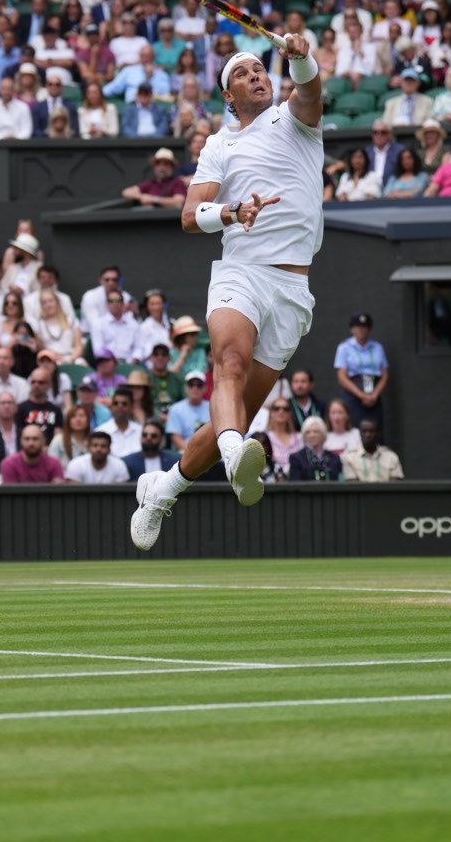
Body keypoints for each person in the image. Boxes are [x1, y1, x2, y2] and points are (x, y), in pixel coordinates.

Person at [129, 30, 325, 547]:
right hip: (242, 269)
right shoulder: (219, 144)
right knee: (228, 367)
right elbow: (191, 215)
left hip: (293, 288)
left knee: (233, 415)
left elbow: (309, 91)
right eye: (242, 73)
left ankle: (162, 490)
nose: (256, 75)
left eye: (260, 68)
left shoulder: (294, 121)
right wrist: (235, 211)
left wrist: (302, 60)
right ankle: (238, 453)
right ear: (227, 95)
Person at [334, 314, 389, 427]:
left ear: (369, 329)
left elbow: (385, 375)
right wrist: (362, 395)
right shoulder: (344, 347)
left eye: (364, 327)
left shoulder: (378, 347)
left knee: (375, 428)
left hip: (374, 391)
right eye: (358, 327)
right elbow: (342, 377)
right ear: (352, 329)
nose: (361, 330)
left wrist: (374, 395)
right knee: (355, 427)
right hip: (354, 393)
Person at [339, 419, 404, 481]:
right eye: (364, 431)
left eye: (371, 431)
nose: (367, 435)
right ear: (360, 434)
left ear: (378, 434)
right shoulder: (350, 458)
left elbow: (395, 486)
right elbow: (353, 487)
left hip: (386, 492)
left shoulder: (391, 457)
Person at [1, 423, 66, 484]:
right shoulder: (9, 464)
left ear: (43, 441)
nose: (31, 443)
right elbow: (10, 494)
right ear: (21, 441)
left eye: (35, 439)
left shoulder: (54, 464)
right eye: (27, 439)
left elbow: (58, 492)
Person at [65, 430, 129, 484]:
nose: (99, 449)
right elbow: (73, 494)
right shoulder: (76, 464)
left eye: (103, 446)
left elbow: (121, 493)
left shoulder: (119, 465)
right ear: (88, 448)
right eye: (95, 445)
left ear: (109, 449)